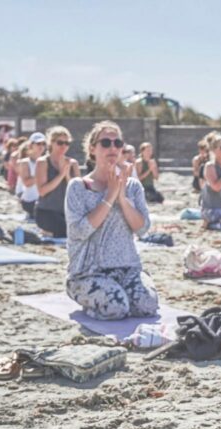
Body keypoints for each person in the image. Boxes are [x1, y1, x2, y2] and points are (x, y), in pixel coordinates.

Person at [64, 121, 157, 321]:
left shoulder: (132, 186)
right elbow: (79, 231)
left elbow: (142, 229)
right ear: (92, 149)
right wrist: (110, 196)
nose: (113, 148)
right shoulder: (78, 187)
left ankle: (138, 282)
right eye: (105, 143)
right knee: (117, 307)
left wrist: (122, 199)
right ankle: (86, 299)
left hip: (127, 268)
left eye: (118, 143)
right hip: (88, 272)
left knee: (147, 306)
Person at [35, 126, 81, 238]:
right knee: (66, 232)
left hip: (66, 212)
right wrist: (61, 175)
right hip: (47, 210)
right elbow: (42, 191)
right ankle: (48, 232)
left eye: (67, 143)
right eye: (60, 143)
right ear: (51, 143)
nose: (64, 146)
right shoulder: (43, 162)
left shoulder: (73, 163)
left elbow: (78, 192)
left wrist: (67, 175)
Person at [15, 133, 47, 219]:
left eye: (44, 144)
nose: (41, 146)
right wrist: (41, 174)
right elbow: (27, 183)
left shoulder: (47, 161)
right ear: (31, 145)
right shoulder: (25, 162)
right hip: (30, 201)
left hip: (44, 200)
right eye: (38, 144)